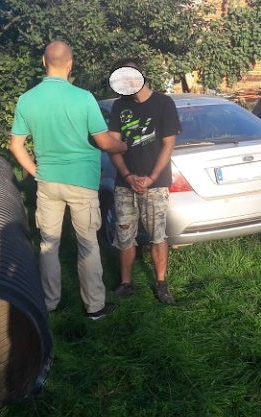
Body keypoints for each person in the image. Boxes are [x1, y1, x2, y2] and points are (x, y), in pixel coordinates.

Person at [9, 40, 126, 320]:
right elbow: (102, 141)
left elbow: (16, 146)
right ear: (71, 64)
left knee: (49, 245)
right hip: (82, 182)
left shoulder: (27, 100)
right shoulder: (83, 98)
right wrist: (122, 147)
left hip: (48, 182)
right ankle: (94, 307)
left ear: (43, 62)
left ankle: (50, 302)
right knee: (87, 243)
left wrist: (35, 171)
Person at [107, 59, 181, 304]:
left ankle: (161, 284)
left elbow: (168, 144)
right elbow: (113, 145)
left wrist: (151, 178)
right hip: (124, 184)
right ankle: (126, 283)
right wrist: (128, 176)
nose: (127, 83)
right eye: (122, 79)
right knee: (124, 234)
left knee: (157, 235)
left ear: (142, 76)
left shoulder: (164, 104)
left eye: (131, 77)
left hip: (156, 184)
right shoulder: (119, 106)